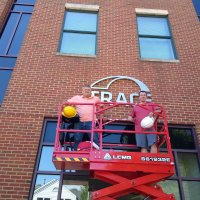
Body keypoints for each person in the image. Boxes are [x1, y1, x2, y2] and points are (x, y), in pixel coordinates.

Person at [67, 85, 101, 150]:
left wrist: (101, 108)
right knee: (77, 138)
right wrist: (68, 107)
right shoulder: (76, 98)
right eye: (85, 90)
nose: (87, 91)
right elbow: (66, 103)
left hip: (91, 121)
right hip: (79, 121)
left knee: (94, 137)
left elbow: (102, 106)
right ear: (82, 91)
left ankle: (97, 152)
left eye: (88, 90)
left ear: (91, 91)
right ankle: (76, 152)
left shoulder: (96, 99)